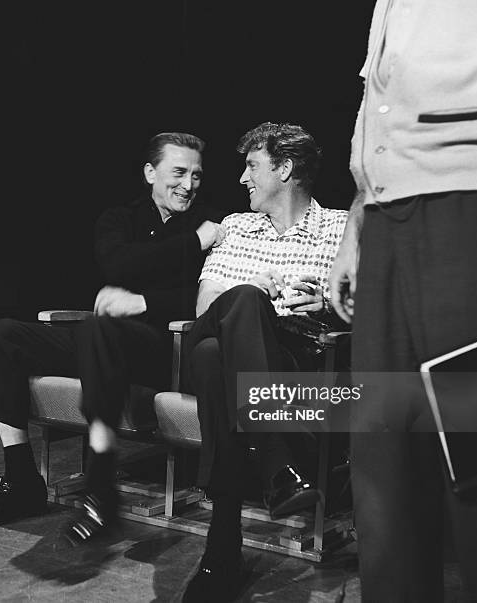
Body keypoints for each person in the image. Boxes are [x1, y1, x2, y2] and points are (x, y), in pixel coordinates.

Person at [0, 132, 226, 539]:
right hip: (102, 341)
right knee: (2, 335)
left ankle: (101, 481)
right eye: (178, 172)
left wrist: (145, 303)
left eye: (196, 175)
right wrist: (192, 244)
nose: (188, 185)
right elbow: (118, 265)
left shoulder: (214, 224)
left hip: (164, 347)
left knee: (100, 328)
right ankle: (20, 479)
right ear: (150, 172)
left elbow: (208, 294)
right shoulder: (121, 219)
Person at [329, 2, 477, 601]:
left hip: (469, 209)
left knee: (475, 450)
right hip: (388, 223)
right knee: (383, 453)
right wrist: (357, 223)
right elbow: (381, 113)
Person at [182, 122, 348, 602]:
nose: (241, 178)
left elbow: (368, 308)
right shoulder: (234, 226)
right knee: (243, 304)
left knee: (216, 360)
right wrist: (255, 288)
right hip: (220, 330)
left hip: (297, 357)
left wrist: (329, 305)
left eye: (252, 166)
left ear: (286, 168)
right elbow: (204, 308)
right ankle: (278, 460)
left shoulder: (340, 228)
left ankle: (222, 546)